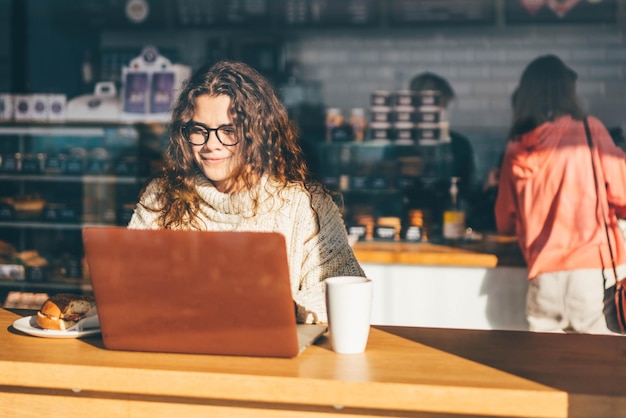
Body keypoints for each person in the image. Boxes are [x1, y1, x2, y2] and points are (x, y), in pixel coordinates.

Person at [128, 60, 365, 324]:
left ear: (257, 134)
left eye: (229, 131)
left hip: (270, 361)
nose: (211, 145)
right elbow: (128, 284)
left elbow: (344, 289)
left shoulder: (305, 206)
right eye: (199, 130)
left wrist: (275, 308)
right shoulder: (160, 197)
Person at [495, 54, 626, 334]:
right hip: (590, 275)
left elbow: (503, 221)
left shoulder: (515, 147)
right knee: (598, 368)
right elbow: (624, 195)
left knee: (542, 369)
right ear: (568, 91)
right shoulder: (589, 131)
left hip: (543, 277)